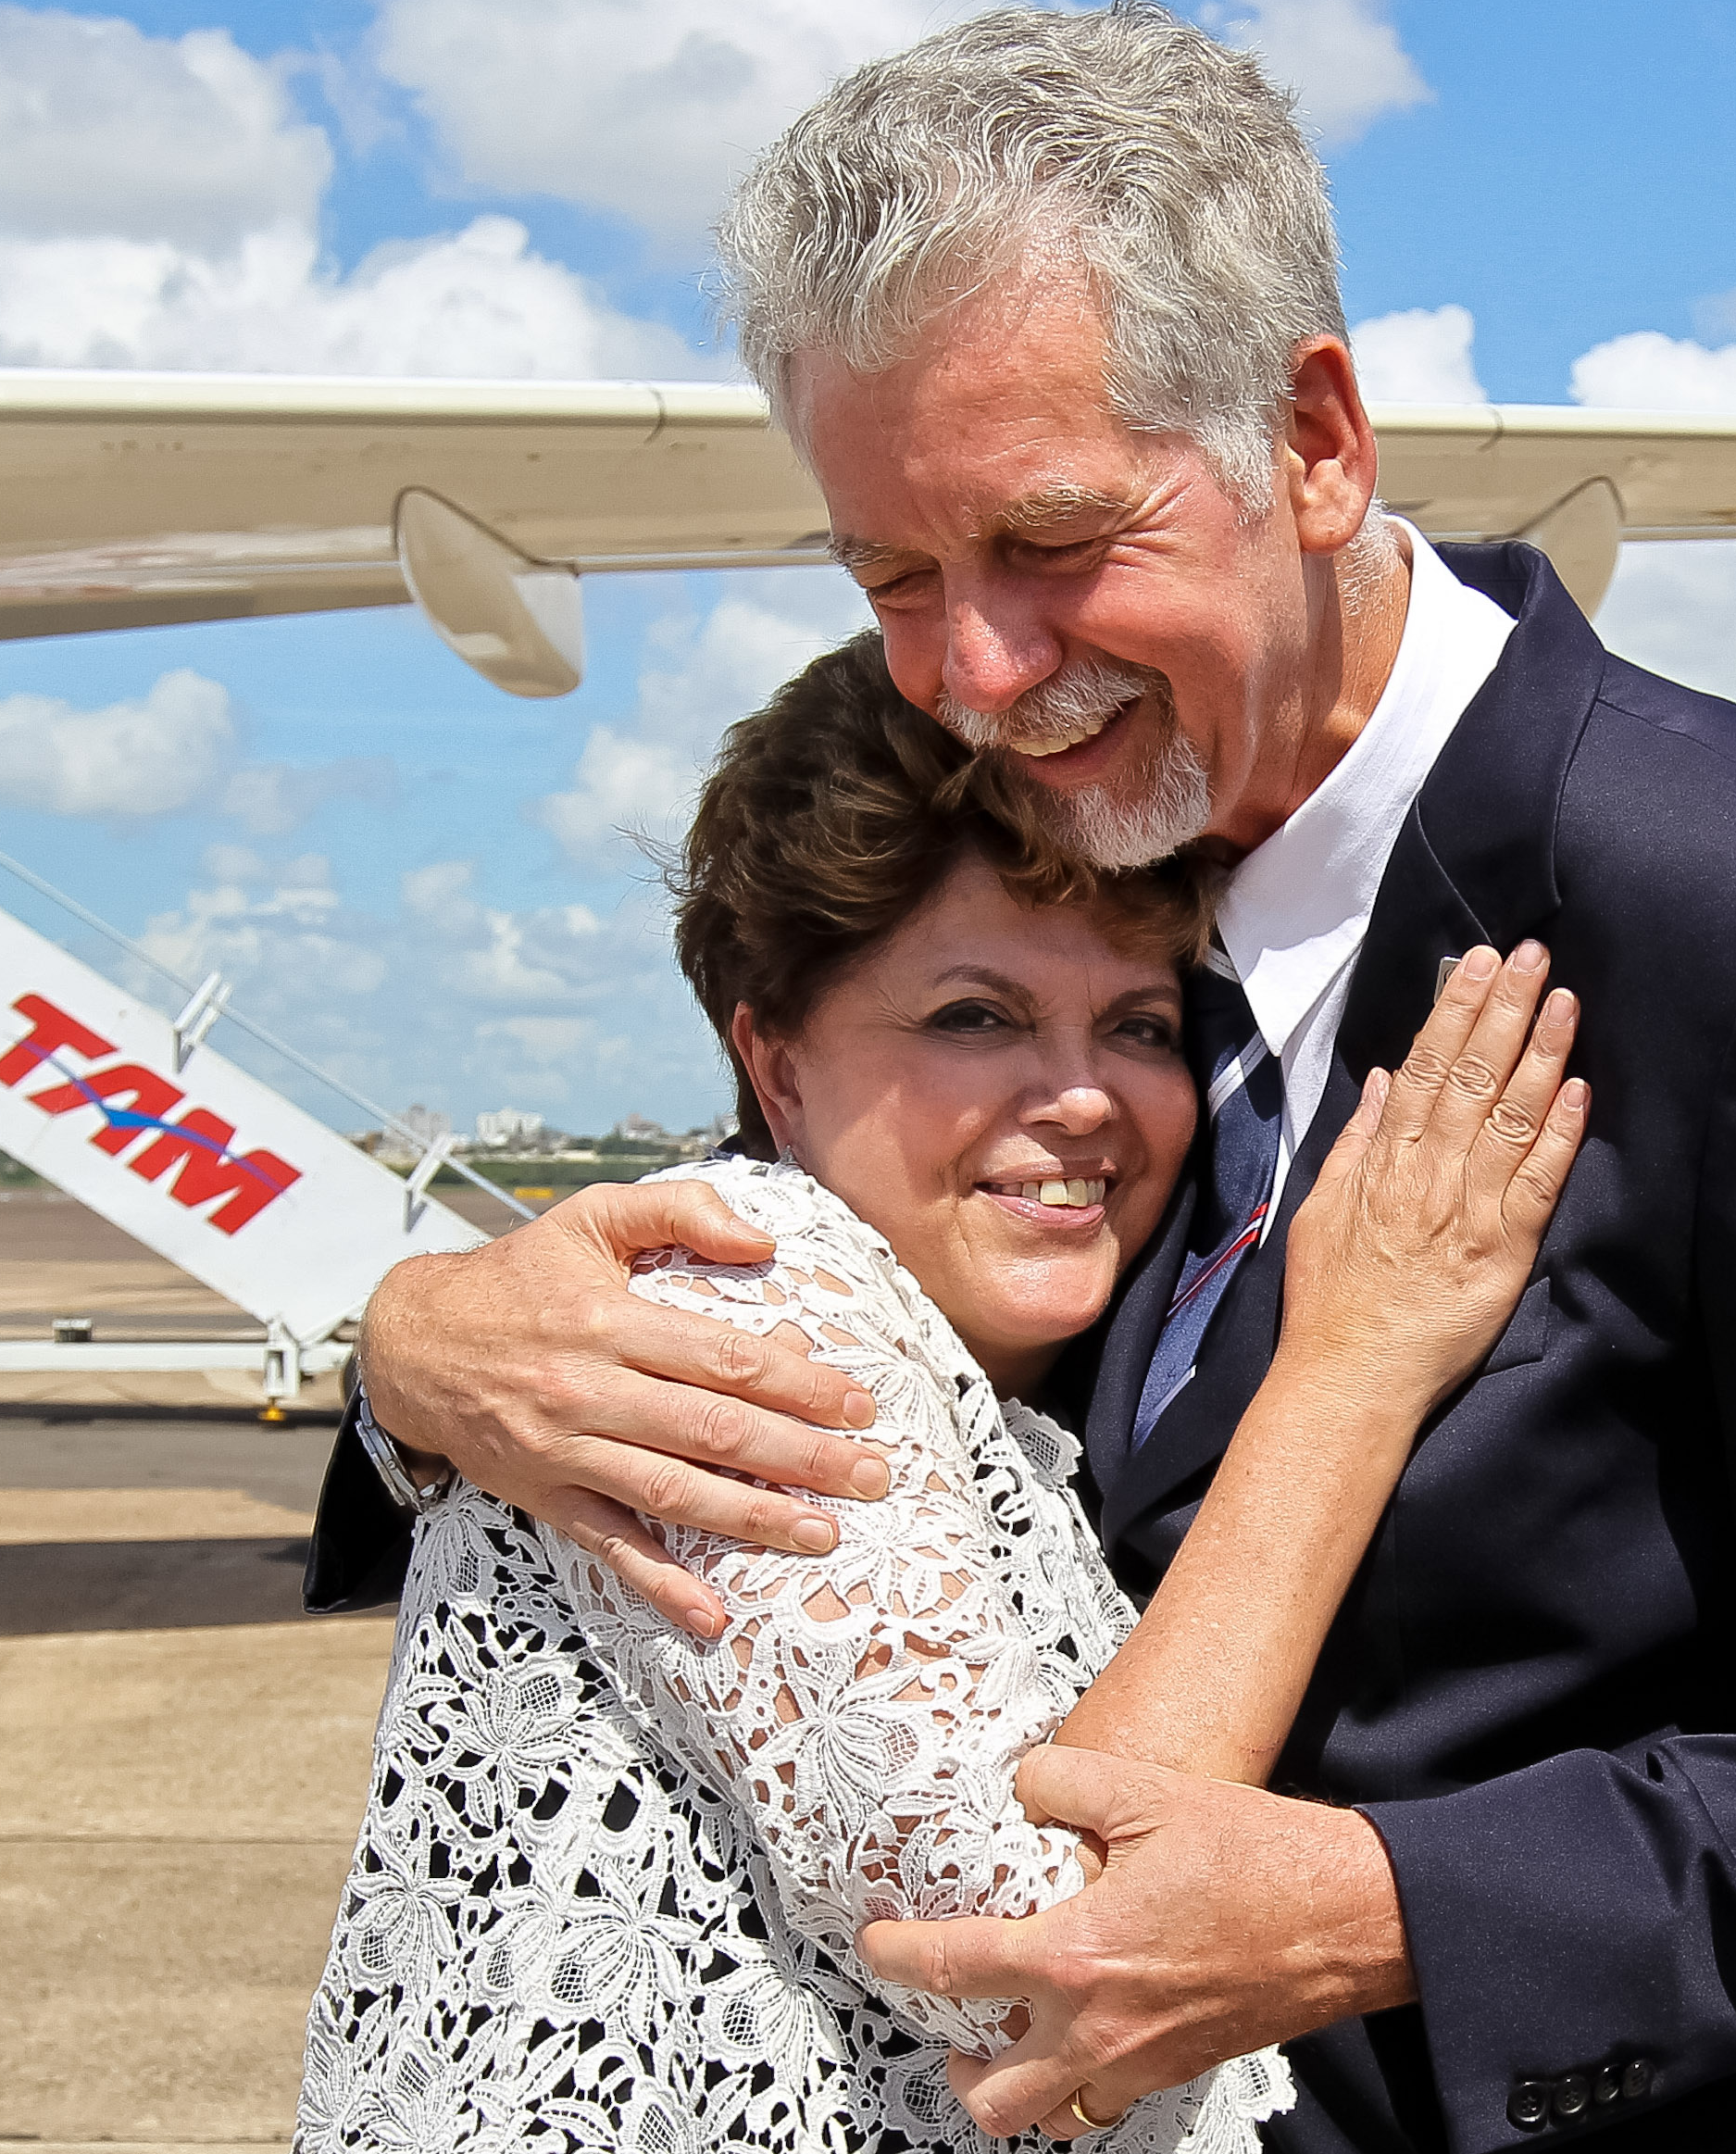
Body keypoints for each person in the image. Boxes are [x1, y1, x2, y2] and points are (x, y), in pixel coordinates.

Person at [310, 5, 1736, 2151]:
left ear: (1314, 440)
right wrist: (410, 1346)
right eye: (894, 577)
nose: (977, 675)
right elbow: (805, 1252)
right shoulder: (1064, 841)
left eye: (1050, 540)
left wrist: (1400, 1905)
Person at [299, 643, 1587, 2153]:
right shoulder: (751, 1297)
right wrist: (1352, 1366)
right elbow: (1053, 1964)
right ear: (773, 1065)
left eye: (1140, 1022)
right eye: (974, 1014)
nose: (1082, 1093)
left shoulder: (1028, 1350)